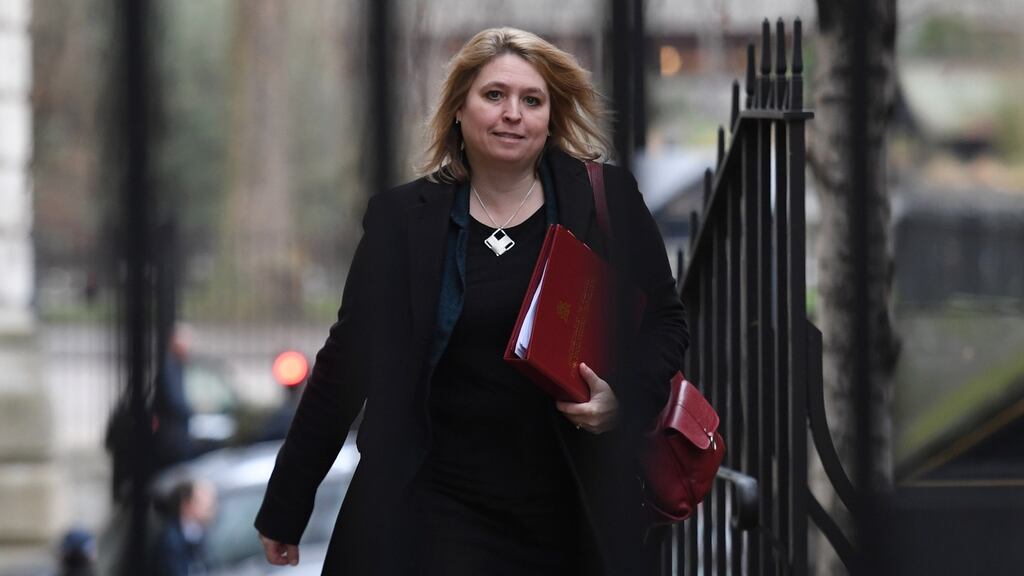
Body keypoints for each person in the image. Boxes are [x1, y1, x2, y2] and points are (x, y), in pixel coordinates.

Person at [254, 27, 687, 575]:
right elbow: (346, 363)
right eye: (494, 95)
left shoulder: (604, 200)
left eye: (532, 100)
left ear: (551, 117)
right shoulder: (402, 220)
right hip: (434, 511)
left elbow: (667, 323)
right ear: (459, 108)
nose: (513, 113)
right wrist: (288, 501)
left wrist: (622, 397)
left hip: (568, 510)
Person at [154, 479, 217, 576]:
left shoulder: (199, 533)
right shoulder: (171, 542)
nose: (212, 509)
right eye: (205, 504)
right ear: (187, 505)